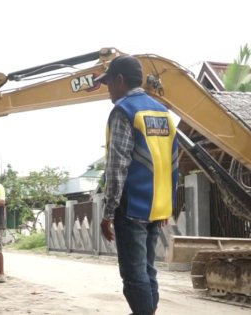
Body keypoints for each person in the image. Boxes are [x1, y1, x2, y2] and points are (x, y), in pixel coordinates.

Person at [95, 55, 178, 315]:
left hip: (132, 208)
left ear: (120, 80)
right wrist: (167, 207)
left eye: (108, 82)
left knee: (133, 275)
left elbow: (117, 166)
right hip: (157, 207)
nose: (108, 89)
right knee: (148, 269)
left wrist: (109, 212)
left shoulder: (123, 111)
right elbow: (173, 161)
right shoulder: (163, 112)